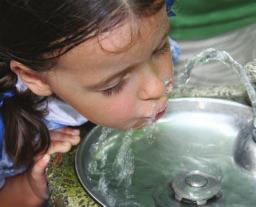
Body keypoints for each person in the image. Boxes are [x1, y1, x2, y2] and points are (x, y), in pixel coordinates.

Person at [0, 0, 175, 206]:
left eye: (160, 49)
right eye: (114, 85)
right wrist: (29, 187)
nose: (157, 88)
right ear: (36, 78)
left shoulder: (133, 46)